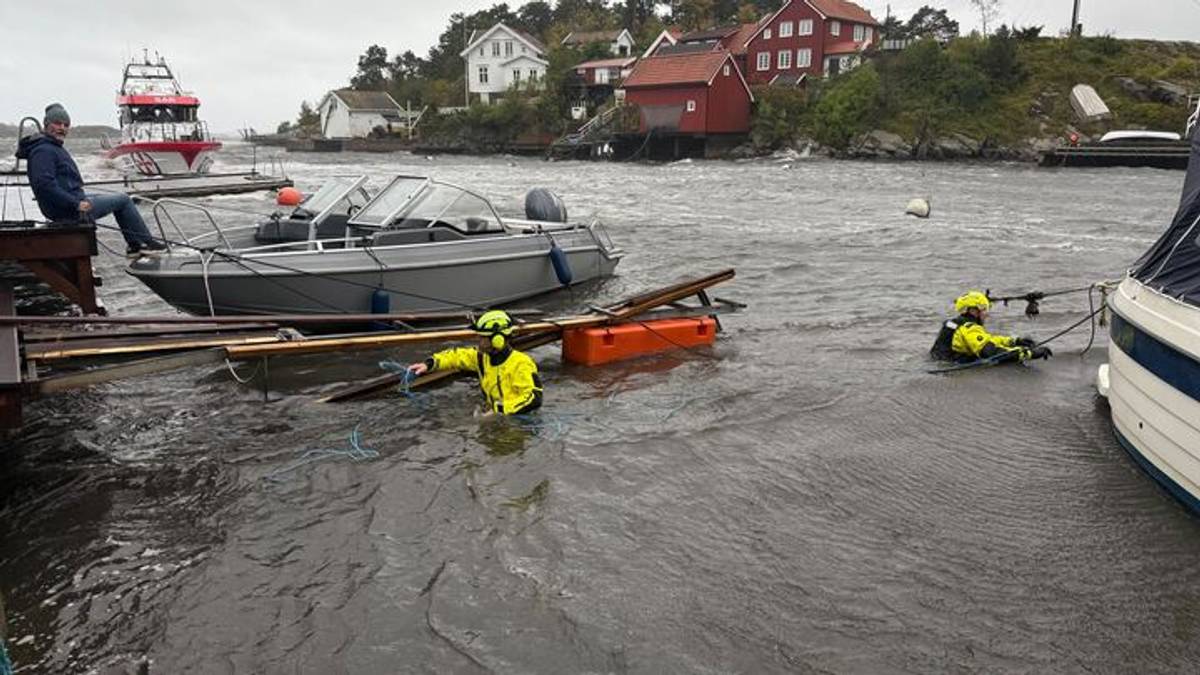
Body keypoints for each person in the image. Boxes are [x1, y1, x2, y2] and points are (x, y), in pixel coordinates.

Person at [16, 103, 165, 258]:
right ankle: (143, 244)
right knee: (124, 200)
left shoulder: (50, 146)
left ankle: (136, 245)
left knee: (113, 196)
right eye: (57, 123)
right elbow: (44, 185)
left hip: (67, 204)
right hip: (68, 211)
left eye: (66, 125)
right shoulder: (44, 151)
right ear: (47, 125)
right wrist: (76, 204)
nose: (62, 128)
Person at [407, 310, 543, 415]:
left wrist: (498, 410)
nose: (478, 340)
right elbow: (456, 356)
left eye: (482, 337)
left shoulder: (522, 363)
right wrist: (429, 364)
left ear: (497, 340)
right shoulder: (481, 358)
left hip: (519, 419)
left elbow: (534, 399)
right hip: (495, 412)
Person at [930, 290, 1053, 364]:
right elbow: (991, 352)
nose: (986, 313)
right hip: (953, 366)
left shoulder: (955, 323)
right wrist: (1029, 353)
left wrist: (1013, 341)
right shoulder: (969, 328)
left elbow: (986, 340)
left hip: (939, 361)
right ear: (972, 311)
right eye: (983, 309)